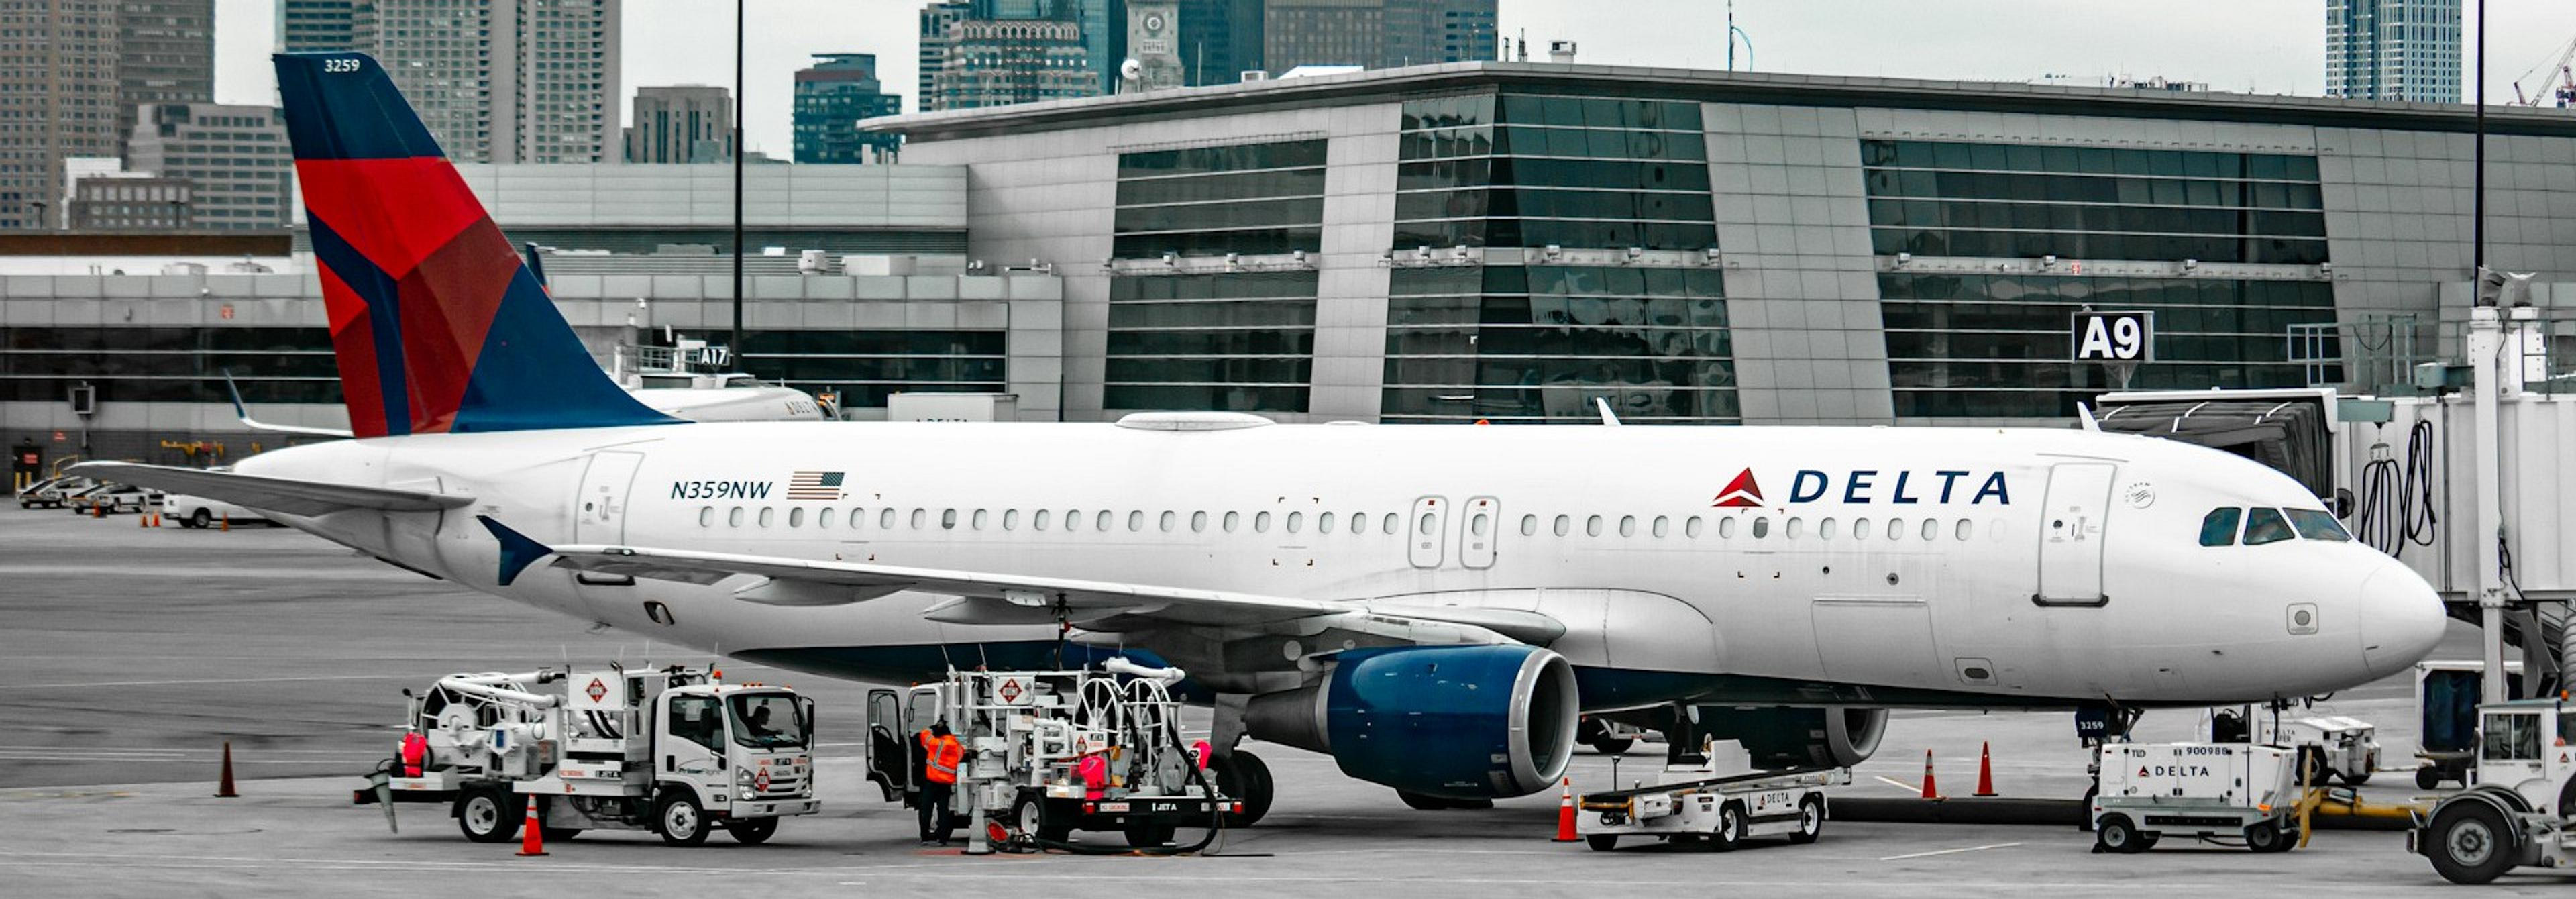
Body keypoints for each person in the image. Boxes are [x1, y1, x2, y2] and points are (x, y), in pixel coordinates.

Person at [916, 722, 962, 845]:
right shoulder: (958, 747)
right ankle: (942, 839)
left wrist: (933, 727)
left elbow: (923, 735)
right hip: (946, 783)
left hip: (932, 781)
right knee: (943, 811)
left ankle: (925, 837)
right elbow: (961, 758)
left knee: (926, 810)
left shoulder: (937, 744)